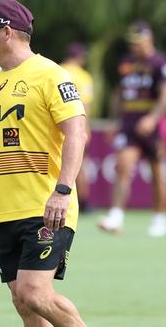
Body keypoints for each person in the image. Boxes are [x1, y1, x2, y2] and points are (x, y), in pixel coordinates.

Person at [0, 0, 87, 327]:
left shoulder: (51, 75)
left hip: (44, 206)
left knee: (34, 293)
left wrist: (62, 190)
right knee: (24, 303)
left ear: (6, 31)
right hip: (6, 213)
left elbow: (77, 134)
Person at [98, 20, 166, 238]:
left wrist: (152, 118)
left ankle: (159, 218)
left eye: (138, 42)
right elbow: (118, 93)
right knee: (122, 166)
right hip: (129, 123)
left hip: (153, 125)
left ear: (149, 39)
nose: (134, 47)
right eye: (131, 43)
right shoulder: (126, 63)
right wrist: (114, 121)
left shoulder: (162, 64)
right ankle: (115, 216)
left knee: (157, 172)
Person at [60, 43, 94, 214]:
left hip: (55, 129)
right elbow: (84, 105)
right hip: (75, 127)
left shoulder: (55, 71)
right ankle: (84, 202)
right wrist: (85, 129)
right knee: (77, 165)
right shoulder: (83, 76)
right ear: (80, 57)